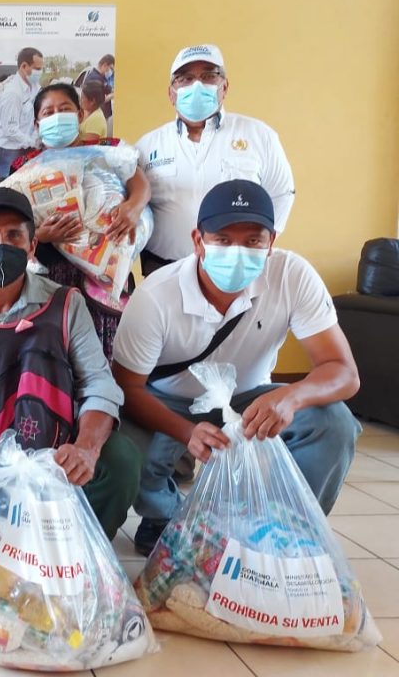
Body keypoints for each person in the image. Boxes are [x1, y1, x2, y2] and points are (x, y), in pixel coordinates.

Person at [111, 180, 361, 556]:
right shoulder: (157, 296)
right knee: (127, 445)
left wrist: (292, 397)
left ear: (271, 242)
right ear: (198, 241)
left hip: (250, 397)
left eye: (253, 241)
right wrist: (186, 431)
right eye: (223, 240)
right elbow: (127, 387)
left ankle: (286, 531)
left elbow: (343, 371)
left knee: (333, 423)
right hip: (168, 400)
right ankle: (164, 516)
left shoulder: (292, 275)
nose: (238, 253)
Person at [0, 189, 141, 539]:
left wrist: (86, 450)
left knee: (121, 462)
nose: (0, 245)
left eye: (14, 235)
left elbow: (99, 384)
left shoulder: (66, 304)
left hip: (57, 450)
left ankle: (77, 550)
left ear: (32, 246)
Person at [9, 83, 151, 359]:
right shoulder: (24, 166)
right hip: (51, 274)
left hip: (104, 271)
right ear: (37, 124)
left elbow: (140, 184)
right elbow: (12, 223)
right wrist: (40, 236)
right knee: (56, 349)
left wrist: (132, 209)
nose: (56, 117)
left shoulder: (107, 150)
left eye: (64, 109)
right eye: (48, 113)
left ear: (80, 114)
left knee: (103, 350)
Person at [134, 44, 295, 276]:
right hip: (163, 269)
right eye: (185, 78)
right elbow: (135, 201)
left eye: (208, 76)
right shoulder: (147, 145)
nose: (197, 86)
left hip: (234, 270)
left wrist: (258, 246)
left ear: (224, 86)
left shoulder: (260, 136)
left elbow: (281, 194)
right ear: (171, 93)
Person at [0, 47, 44, 179]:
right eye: (37, 69)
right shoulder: (13, 93)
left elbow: (35, 117)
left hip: (25, 148)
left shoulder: (34, 88)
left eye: (41, 69)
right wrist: (32, 142)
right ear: (24, 66)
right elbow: (10, 130)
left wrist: (36, 137)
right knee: (11, 188)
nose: (40, 73)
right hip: (10, 152)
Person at [75, 54, 115, 121]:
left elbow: (108, 88)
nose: (111, 71)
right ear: (105, 65)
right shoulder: (94, 78)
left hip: (101, 114)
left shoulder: (101, 77)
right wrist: (111, 96)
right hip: (96, 116)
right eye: (110, 68)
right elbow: (97, 99)